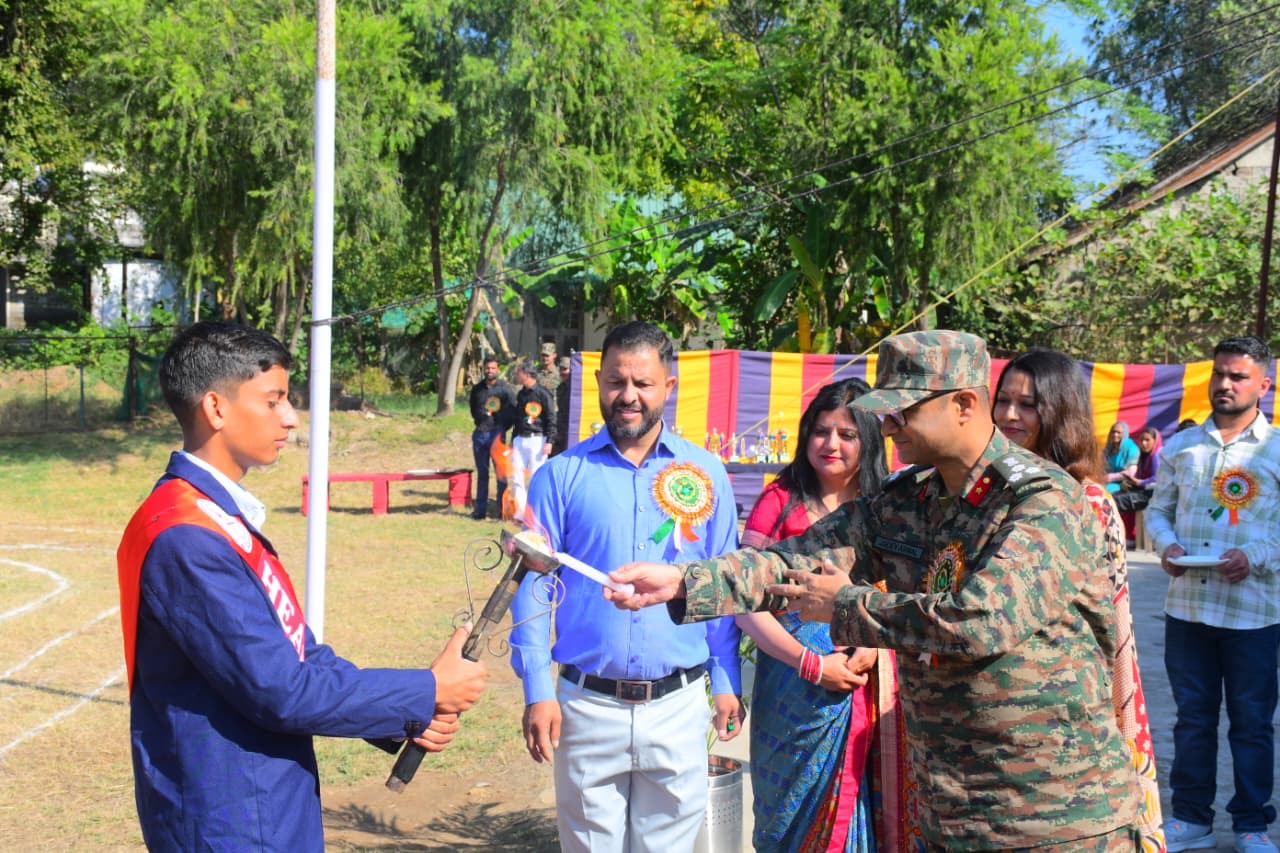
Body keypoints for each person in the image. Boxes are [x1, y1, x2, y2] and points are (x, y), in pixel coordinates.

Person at [607, 330, 1141, 850]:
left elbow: (978, 622)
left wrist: (845, 606)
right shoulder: (911, 499)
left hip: (1053, 816)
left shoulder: (1041, 500)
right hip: (951, 813)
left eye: (903, 409)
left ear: (962, 405)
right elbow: (793, 561)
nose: (886, 425)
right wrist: (683, 581)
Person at [115, 321, 487, 850]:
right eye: (274, 401)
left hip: (261, 803)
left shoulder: (215, 517)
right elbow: (280, 690)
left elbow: (299, 651)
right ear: (216, 408)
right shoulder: (187, 536)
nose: (290, 418)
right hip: (231, 818)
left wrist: (403, 714)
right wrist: (428, 690)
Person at [509, 320, 743, 853]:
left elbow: (723, 584)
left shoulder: (705, 475)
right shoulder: (560, 476)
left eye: (643, 383)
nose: (629, 396)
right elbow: (533, 588)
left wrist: (726, 678)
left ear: (669, 386)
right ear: (598, 382)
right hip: (587, 708)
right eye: (617, 382)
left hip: (678, 707)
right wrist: (538, 690)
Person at [993, 349, 1164, 851]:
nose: (1008, 416)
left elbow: (1113, 626)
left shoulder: (1089, 501)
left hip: (1064, 717)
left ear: (1061, 412)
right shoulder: (982, 492)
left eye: (1027, 404)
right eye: (1002, 401)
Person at [736, 378, 915, 850]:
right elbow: (741, 601)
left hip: (867, 687)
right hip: (791, 689)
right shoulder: (780, 501)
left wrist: (875, 646)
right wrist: (810, 663)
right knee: (786, 821)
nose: (831, 444)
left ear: (870, 441)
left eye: (847, 434)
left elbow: (908, 598)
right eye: (820, 431)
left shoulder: (889, 508)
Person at [1146, 335, 1280, 853]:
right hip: (1188, 609)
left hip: (1255, 614)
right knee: (1192, 718)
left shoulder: (1276, 450)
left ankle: (1251, 824)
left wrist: (1258, 557)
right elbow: (1157, 511)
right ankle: (1191, 819)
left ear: (1263, 385)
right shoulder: (1182, 447)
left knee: (1251, 724)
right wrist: (1167, 544)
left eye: (1238, 376)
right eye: (1219, 373)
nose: (1225, 384)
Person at [468, 355, 517, 520]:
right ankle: (479, 511)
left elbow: (512, 411)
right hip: (480, 434)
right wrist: (481, 423)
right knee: (482, 473)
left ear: (498, 369)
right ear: (484, 369)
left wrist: (502, 428)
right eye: (487, 368)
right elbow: (473, 409)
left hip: (497, 434)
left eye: (493, 368)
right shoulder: (477, 389)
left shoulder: (505, 390)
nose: (490, 371)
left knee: (501, 473)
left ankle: (502, 511)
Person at [510, 359, 556, 521]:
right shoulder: (521, 394)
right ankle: (521, 512)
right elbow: (518, 418)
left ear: (527, 374)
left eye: (519, 373)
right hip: (520, 439)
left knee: (536, 477)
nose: (516, 376)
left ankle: (535, 512)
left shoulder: (543, 394)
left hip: (537, 439)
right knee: (516, 476)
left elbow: (551, 418)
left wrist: (550, 441)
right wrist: (513, 440)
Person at [1115, 425, 1163, 542]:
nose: (1144, 443)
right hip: (1144, 491)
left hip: (1154, 495)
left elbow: (1158, 478)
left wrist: (1140, 482)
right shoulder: (1144, 456)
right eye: (1141, 440)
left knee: (1117, 501)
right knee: (1116, 495)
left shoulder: (1157, 455)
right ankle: (1127, 535)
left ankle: (1128, 536)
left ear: (1155, 441)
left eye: (1147, 440)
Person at [1104, 421, 1140, 494]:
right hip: (1105, 481)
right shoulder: (1109, 448)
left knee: (1103, 492)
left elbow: (1131, 472)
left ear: (1124, 433)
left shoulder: (1131, 448)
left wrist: (1110, 477)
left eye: (1118, 432)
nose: (1115, 434)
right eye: (1113, 432)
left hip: (1123, 484)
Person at [551, 355, 572, 457]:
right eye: (560, 369)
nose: (562, 372)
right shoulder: (560, 387)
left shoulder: (576, 388)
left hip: (571, 429)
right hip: (560, 428)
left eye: (565, 369)